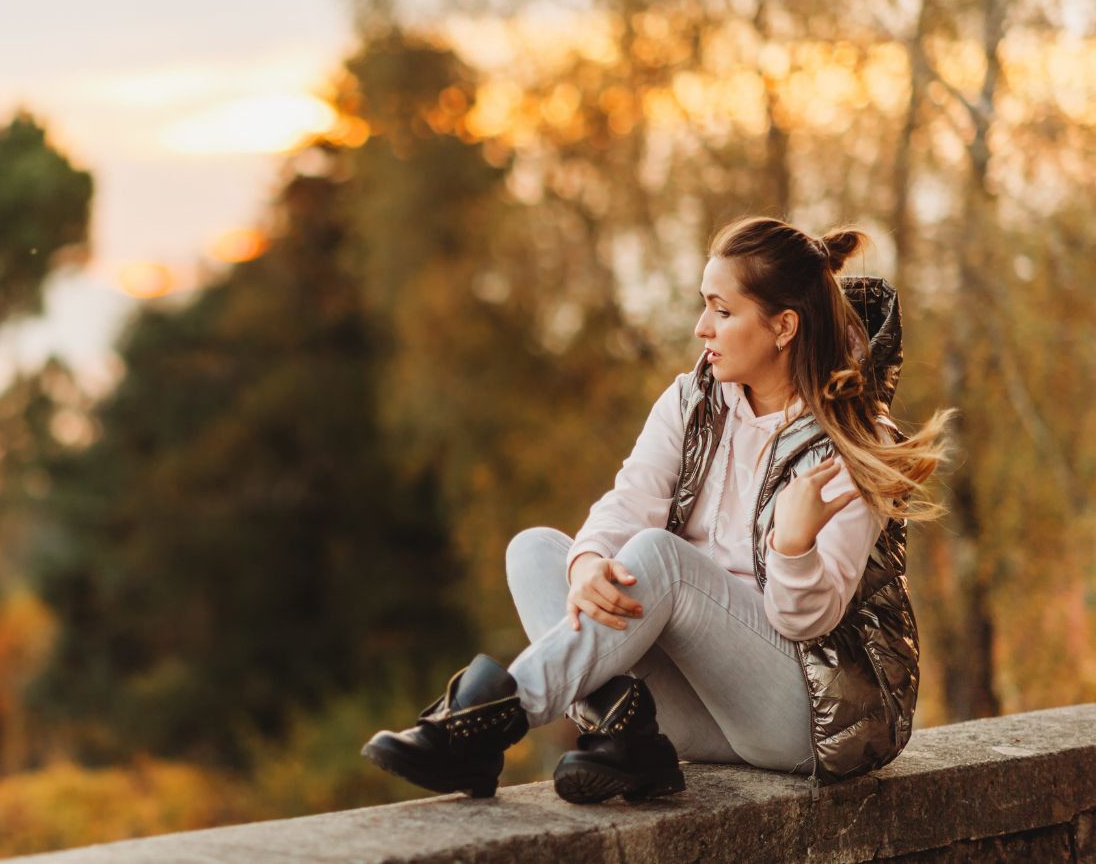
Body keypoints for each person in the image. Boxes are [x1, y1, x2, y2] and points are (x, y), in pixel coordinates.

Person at [360, 216, 958, 804]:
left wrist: (792, 547)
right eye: (704, 305)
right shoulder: (693, 400)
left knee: (659, 557)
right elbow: (631, 500)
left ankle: (491, 719)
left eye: (723, 311)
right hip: (702, 709)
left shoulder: (849, 441)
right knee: (538, 552)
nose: (702, 327)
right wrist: (588, 562)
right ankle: (627, 737)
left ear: (783, 326)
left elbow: (808, 624)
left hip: (805, 717)